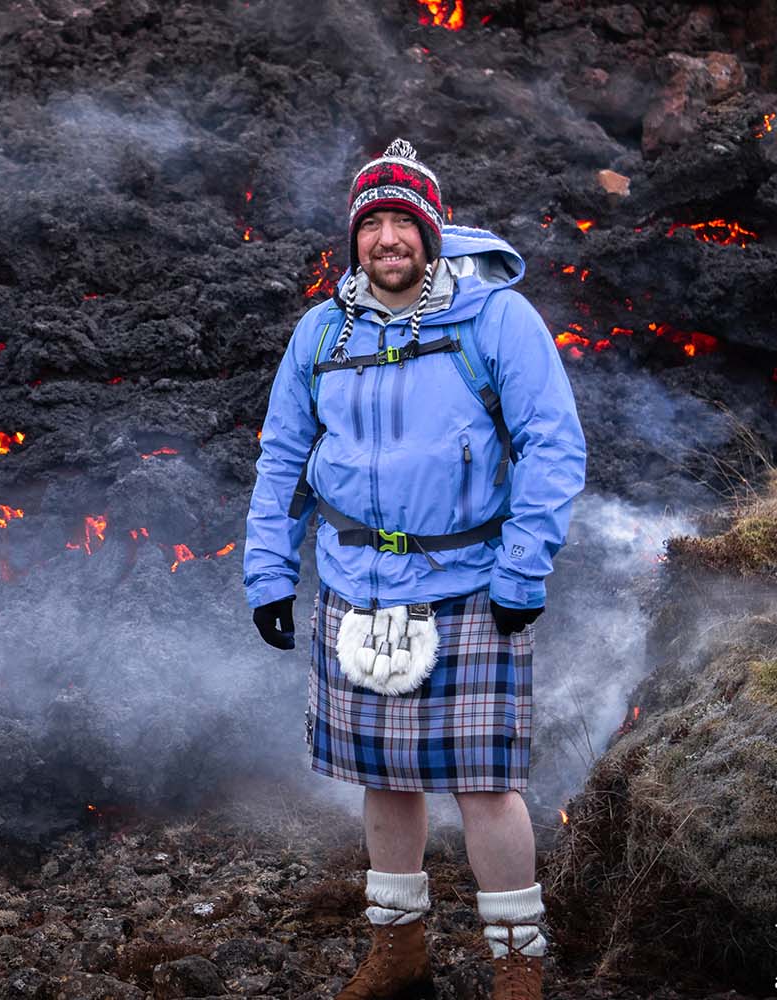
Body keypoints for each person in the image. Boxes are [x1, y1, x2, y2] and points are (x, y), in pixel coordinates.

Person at [243, 139, 587, 1000]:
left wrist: (522, 573)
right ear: (354, 238)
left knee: (485, 787)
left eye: (404, 222)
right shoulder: (321, 333)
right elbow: (282, 459)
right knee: (384, 781)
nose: (388, 238)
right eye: (373, 223)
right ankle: (400, 955)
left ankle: (518, 970)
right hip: (354, 588)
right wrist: (268, 574)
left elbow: (554, 446)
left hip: (469, 584)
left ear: (432, 235)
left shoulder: (498, 319)